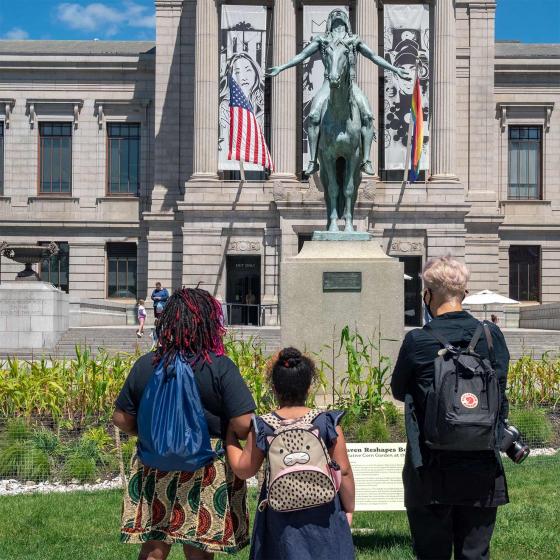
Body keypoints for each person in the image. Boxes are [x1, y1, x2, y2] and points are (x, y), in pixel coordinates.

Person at [113, 288, 256, 560]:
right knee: (199, 548)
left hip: (154, 462)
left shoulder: (146, 365)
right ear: (209, 323)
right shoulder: (220, 366)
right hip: (207, 464)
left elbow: (121, 418)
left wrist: (149, 434)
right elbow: (243, 422)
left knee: (154, 545)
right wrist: (228, 435)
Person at [391, 257, 510, 560]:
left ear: (427, 294)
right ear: (464, 293)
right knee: (475, 553)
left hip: (430, 468)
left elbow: (398, 389)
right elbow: (500, 389)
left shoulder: (417, 341)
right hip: (482, 466)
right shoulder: (490, 336)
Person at [225, 347, 355, 560]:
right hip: (325, 513)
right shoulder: (326, 422)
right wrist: (349, 509)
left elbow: (243, 469)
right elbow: (345, 471)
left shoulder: (263, 425)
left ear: (274, 388)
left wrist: (229, 437)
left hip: (280, 518)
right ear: (309, 387)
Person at [267, 8, 410, 176]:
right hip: (328, 84)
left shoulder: (353, 40)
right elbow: (302, 55)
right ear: (329, 23)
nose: (338, 21)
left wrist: (395, 69)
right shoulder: (323, 40)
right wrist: (282, 67)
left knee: (368, 115)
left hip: (351, 85)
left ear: (346, 23)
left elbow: (373, 56)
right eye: (334, 19)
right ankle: (313, 161)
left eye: (341, 18)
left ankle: (366, 160)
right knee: (313, 115)